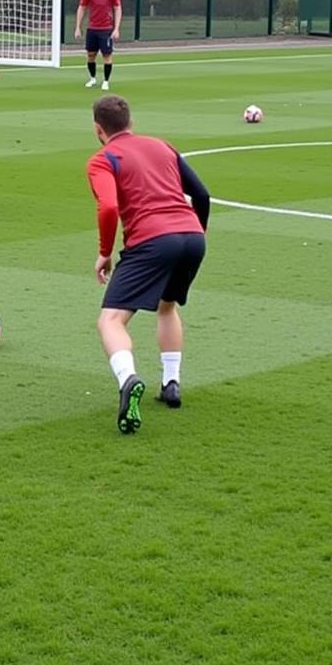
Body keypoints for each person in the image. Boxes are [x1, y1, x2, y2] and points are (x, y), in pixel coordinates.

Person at [86, 95, 210, 435]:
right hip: (192, 237)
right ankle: (171, 383)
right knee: (166, 306)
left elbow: (109, 207)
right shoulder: (162, 146)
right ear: (131, 123)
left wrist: (104, 252)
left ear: (98, 129)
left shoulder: (103, 158)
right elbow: (202, 194)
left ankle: (128, 380)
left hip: (152, 241)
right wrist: (198, 229)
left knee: (111, 320)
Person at [74, 0, 122, 91]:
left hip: (106, 29)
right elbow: (82, 7)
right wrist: (78, 27)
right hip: (92, 28)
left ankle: (106, 81)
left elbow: (117, 8)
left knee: (107, 55)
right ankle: (92, 78)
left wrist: (116, 28)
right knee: (91, 54)